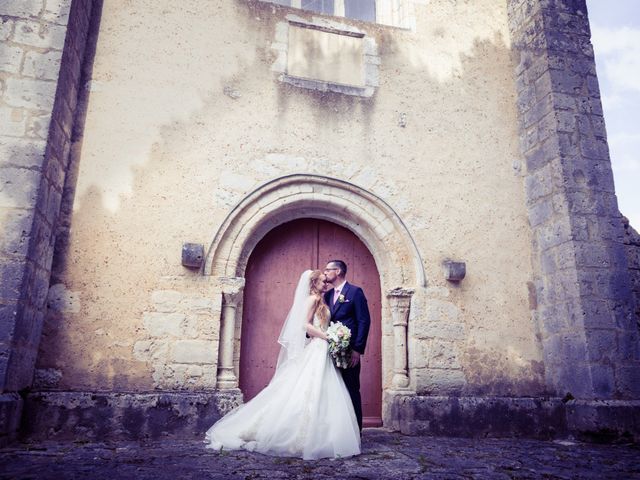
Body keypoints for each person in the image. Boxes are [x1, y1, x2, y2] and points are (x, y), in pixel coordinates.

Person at [204, 270, 360, 460]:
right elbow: (305, 325)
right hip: (319, 345)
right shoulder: (312, 299)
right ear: (313, 283)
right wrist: (328, 336)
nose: (325, 283)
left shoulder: (321, 299)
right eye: (322, 281)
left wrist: (334, 335)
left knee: (322, 389)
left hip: (323, 348)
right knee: (310, 387)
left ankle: (323, 434)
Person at [323, 260, 371, 432]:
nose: (325, 272)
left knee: (351, 389)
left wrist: (357, 349)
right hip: (330, 351)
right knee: (332, 390)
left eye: (328, 269)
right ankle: (336, 431)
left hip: (349, 350)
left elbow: (363, 321)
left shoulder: (355, 292)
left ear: (338, 271)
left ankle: (355, 432)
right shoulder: (327, 295)